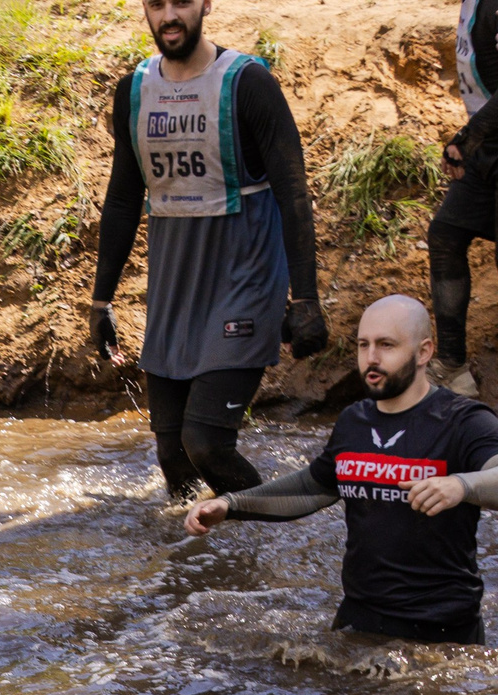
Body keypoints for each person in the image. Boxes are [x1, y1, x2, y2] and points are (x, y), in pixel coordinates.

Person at [91, 0, 326, 498]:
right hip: (176, 289)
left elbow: (293, 190)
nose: (169, 16)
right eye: (157, 5)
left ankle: (272, 536)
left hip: (245, 281)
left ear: (205, 4)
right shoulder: (134, 91)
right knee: (173, 456)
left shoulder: (247, 84)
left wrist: (305, 298)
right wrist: (100, 300)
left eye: (181, 2)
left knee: (206, 443)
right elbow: (122, 197)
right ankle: (198, 564)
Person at [183, 295, 498, 645]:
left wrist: (461, 485)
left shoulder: (464, 421)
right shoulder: (353, 421)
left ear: (423, 352)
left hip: (443, 632)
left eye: (386, 345)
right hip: (359, 620)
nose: (371, 358)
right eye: (364, 345)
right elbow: (312, 486)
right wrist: (231, 505)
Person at [426, 0, 498, 394]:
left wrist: (465, 139)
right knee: (445, 235)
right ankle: (452, 364)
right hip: (488, 146)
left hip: (482, 140)